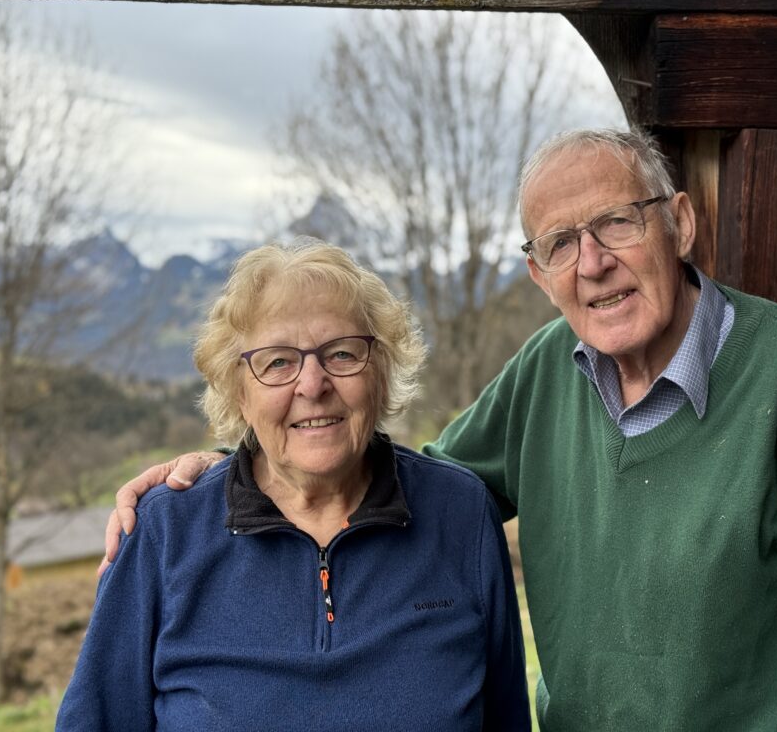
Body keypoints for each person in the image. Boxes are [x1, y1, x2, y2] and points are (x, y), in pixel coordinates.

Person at [103, 129, 777, 731]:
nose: (594, 262)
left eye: (618, 222)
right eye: (560, 243)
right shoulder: (548, 371)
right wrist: (244, 465)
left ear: (680, 223)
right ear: (540, 275)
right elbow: (402, 483)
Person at [60, 240, 530, 731]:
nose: (312, 384)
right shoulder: (163, 532)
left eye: (342, 353)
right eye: (278, 362)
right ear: (239, 393)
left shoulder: (460, 513)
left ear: (382, 371)